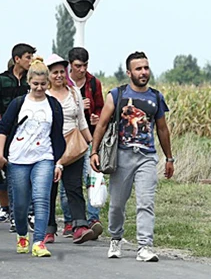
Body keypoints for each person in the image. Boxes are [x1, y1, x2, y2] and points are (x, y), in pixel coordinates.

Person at [91, 51, 174, 262]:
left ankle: (145, 246)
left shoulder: (156, 97)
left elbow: (162, 130)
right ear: (129, 72)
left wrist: (169, 158)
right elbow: (101, 124)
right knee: (117, 204)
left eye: (146, 67)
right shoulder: (117, 95)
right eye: (138, 68)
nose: (143, 72)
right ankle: (116, 238)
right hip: (121, 156)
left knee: (146, 202)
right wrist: (94, 152)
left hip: (146, 156)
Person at [0, 56, 66, 258]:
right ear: (29, 82)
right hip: (18, 158)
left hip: (44, 156)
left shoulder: (53, 105)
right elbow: (4, 129)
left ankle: (39, 242)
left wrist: (58, 162)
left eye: (43, 84)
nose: (39, 88)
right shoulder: (19, 103)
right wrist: (0, 154)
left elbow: (58, 135)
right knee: (20, 203)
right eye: (35, 84)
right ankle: (22, 234)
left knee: (42, 199)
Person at [43, 54, 95, 244]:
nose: (58, 76)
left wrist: (93, 146)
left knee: (74, 187)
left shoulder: (74, 94)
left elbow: (82, 121)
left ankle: (79, 226)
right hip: (49, 147)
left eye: (61, 72)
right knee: (49, 189)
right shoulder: (43, 96)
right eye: (54, 72)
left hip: (73, 147)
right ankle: (47, 228)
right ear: (47, 75)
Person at [0, 43, 35, 229]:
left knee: (28, 175)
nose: (30, 61)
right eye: (27, 57)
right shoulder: (2, 80)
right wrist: (1, 128)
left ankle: (29, 213)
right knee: (12, 175)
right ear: (17, 59)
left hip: (29, 134)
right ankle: (15, 216)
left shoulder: (31, 81)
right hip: (7, 134)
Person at [66, 47, 105, 237]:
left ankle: (93, 218)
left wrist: (96, 117)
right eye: (78, 66)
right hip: (69, 137)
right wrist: (80, 103)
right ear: (70, 65)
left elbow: (101, 108)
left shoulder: (93, 83)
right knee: (70, 182)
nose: (82, 69)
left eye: (85, 65)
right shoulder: (63, 82)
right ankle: (68, 220)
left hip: (89, 134)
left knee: (92, 176)